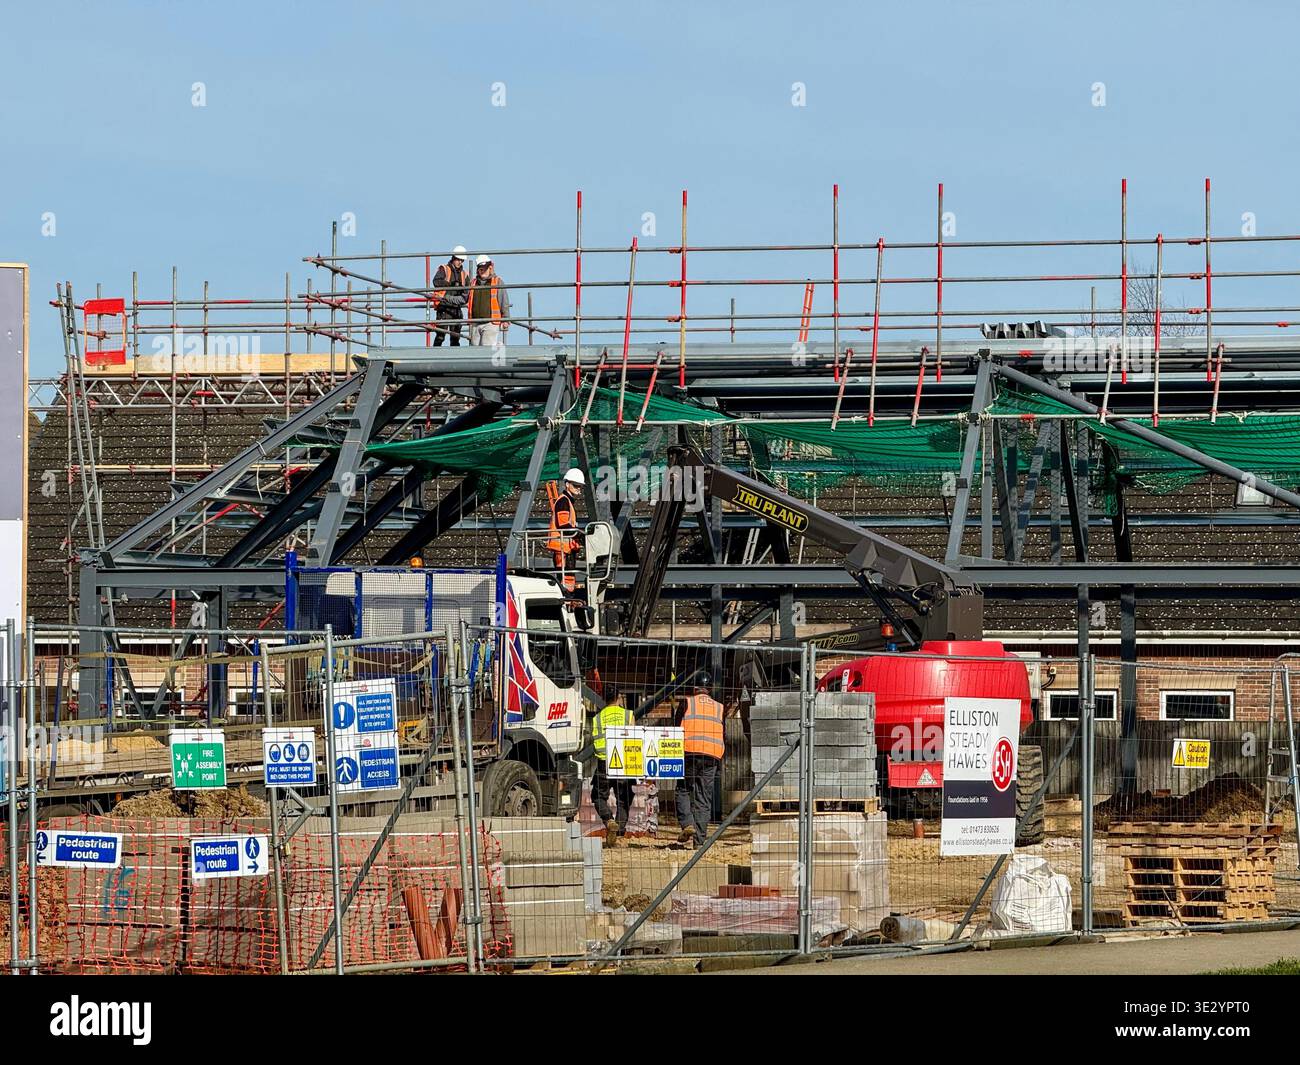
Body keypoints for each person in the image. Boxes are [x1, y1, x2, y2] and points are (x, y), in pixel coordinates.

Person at [675, 679, 724, 848]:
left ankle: (687, 824)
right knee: (703, 798)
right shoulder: (719, 707)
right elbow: (722, 733)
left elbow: (676, 728)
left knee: (683, 789)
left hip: (689, 752)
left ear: (694, 688)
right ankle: (699, 841)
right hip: (712, 756)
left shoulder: (686, 703)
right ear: (710, 688)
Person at [590, 686, 635, 845]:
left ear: (604, 698)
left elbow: (595, 741)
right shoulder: (628, 715)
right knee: (624, 798)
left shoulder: (597, 718)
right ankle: (620, 831)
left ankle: (609, 820)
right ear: (619, 697)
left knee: (598, 796)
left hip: (604, 761)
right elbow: (634, 739)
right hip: (623, 761)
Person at [547, 467, 585, 593]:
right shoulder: (563, 501)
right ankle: (567, 598)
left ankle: (569, 598)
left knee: (568, 579)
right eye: (576, 485)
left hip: (565, 548)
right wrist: (579, 534)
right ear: (567, 484)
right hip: (562, 548)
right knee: (565, 579)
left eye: (580, 486)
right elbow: (563, 526)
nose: (578, 488)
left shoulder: (567, 501)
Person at [467, 254, 511, 347]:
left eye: (485, 269)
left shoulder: (497, 281)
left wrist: (506, 319)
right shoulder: (473, 283)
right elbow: (465, 297)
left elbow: (504, 301)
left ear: (490, 268)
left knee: (486, 349)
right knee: (474, 351)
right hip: (475, 323)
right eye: (480, 269)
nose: (482, 271)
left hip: (491, 323)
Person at [431, 246, 469, 347]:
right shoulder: (444, 269)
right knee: (440, 336)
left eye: (462, 260)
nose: (460, 262)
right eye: (458, 259)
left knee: (455, 338)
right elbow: (436, 282)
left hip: (456, 309)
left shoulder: (464, 274)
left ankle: (455, 356)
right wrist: (450, 285)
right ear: (453, 258)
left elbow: (467, 292)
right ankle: (434, 355)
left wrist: (460, 288)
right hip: (444, 307)